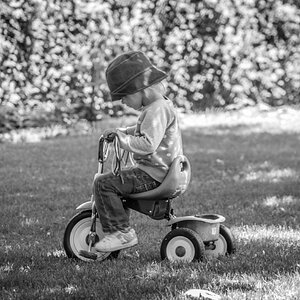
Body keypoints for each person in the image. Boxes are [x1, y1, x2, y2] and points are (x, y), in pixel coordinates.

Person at [93, 51, 183, 252]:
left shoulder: (156, 110)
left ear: (138, 88)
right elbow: (147, 130)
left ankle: (120, 232)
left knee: (103, 184)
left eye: (123, 97)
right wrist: (123, 132)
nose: (123, 102)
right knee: (114, 182)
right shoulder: (159, 106)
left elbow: (148, 143)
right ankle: (118, 226)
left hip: (152, 174)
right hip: (159, 171)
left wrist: (123, 140)